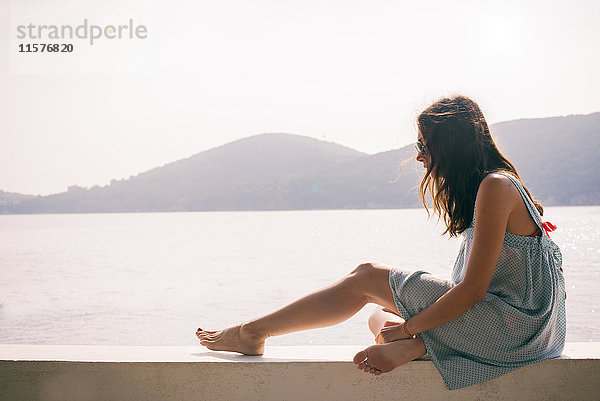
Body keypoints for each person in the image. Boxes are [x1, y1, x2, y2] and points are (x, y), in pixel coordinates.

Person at [196, 95, 566, 390]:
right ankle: (418, 346)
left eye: (425, 144)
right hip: (527, 335)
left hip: (512, 331)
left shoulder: (496, 186)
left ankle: (251, 332)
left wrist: (409, 328)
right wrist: (407, 327)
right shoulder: (497, 186)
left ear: (451, 145)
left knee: (366, 277)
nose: (419, 155)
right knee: (377, 313)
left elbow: (471, 290)